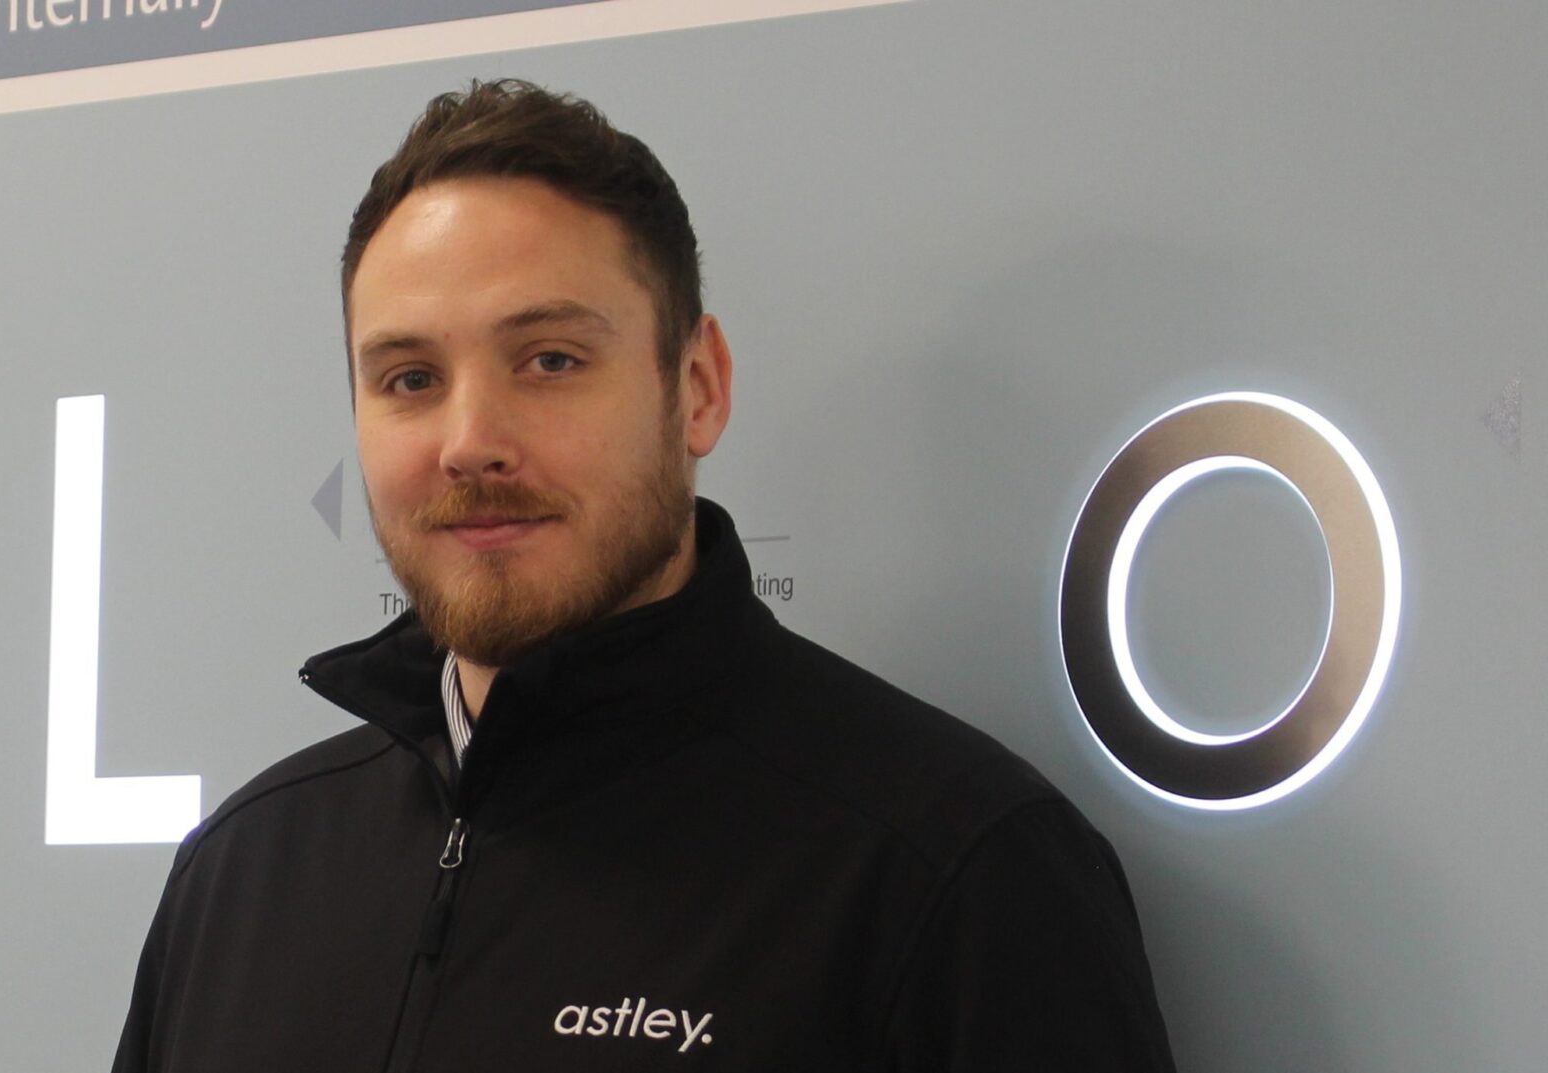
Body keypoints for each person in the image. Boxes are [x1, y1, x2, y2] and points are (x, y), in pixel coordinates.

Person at [113, 79, 1176, 1072]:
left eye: (549, 360)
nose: (468, 441)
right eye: (409, 378)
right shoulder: (241, 874)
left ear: (697, 387)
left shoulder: (952, 871)